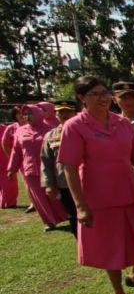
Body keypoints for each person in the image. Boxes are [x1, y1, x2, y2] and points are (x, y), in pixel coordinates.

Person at [59, 76, 134, 294]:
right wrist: (80, 206)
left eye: (105, 93)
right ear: (81, 98)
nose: (103, 98)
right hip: (99, 199)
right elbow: (69, 168)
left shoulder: (121, 123)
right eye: (95, 94)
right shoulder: (74, 127)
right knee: (110, 247)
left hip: (129, 192)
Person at [6, 104, 67, 231]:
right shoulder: (20, 131)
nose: (27, 116)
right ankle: (49, 222)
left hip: (50, 168)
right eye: (25, 114)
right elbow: (16, 151)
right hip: (30, 170)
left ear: (38, 114)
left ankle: (68, 215)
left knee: (56, 195)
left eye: (30, 113)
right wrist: (12, 168)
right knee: (39, 198)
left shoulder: (50, 129)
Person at [40, 99, 79, 236]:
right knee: (73, 216)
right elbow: (46, 161)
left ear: (75, 113)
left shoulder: (84, 131)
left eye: (68, 111)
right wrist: (49, 184)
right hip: (64, 184)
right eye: (60, 112)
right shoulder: (50, 136)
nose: (64, 114)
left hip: (86, 181)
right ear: (55, 114)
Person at [0, 114, 21, 208]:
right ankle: (8, 202)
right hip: (5, 159)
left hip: (5, 159)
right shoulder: (6, 128)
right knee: (9, 181)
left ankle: (7, 202)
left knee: (8, 180)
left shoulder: (5, 129)